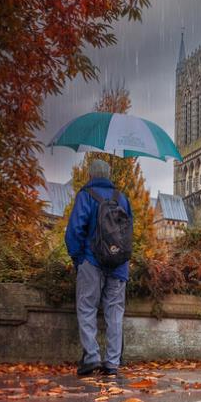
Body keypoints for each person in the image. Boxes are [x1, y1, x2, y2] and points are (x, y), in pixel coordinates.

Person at [65, 159, 133, 377]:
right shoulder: (122, 198)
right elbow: (128, 232)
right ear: (109, 175)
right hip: (119, 264)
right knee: (114, 312)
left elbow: (75, 231)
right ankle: (112, 362)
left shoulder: (86, 195)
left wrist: (79, 259)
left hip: (91, 261)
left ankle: (92, 357)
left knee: (87, 307)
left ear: (90, 175)